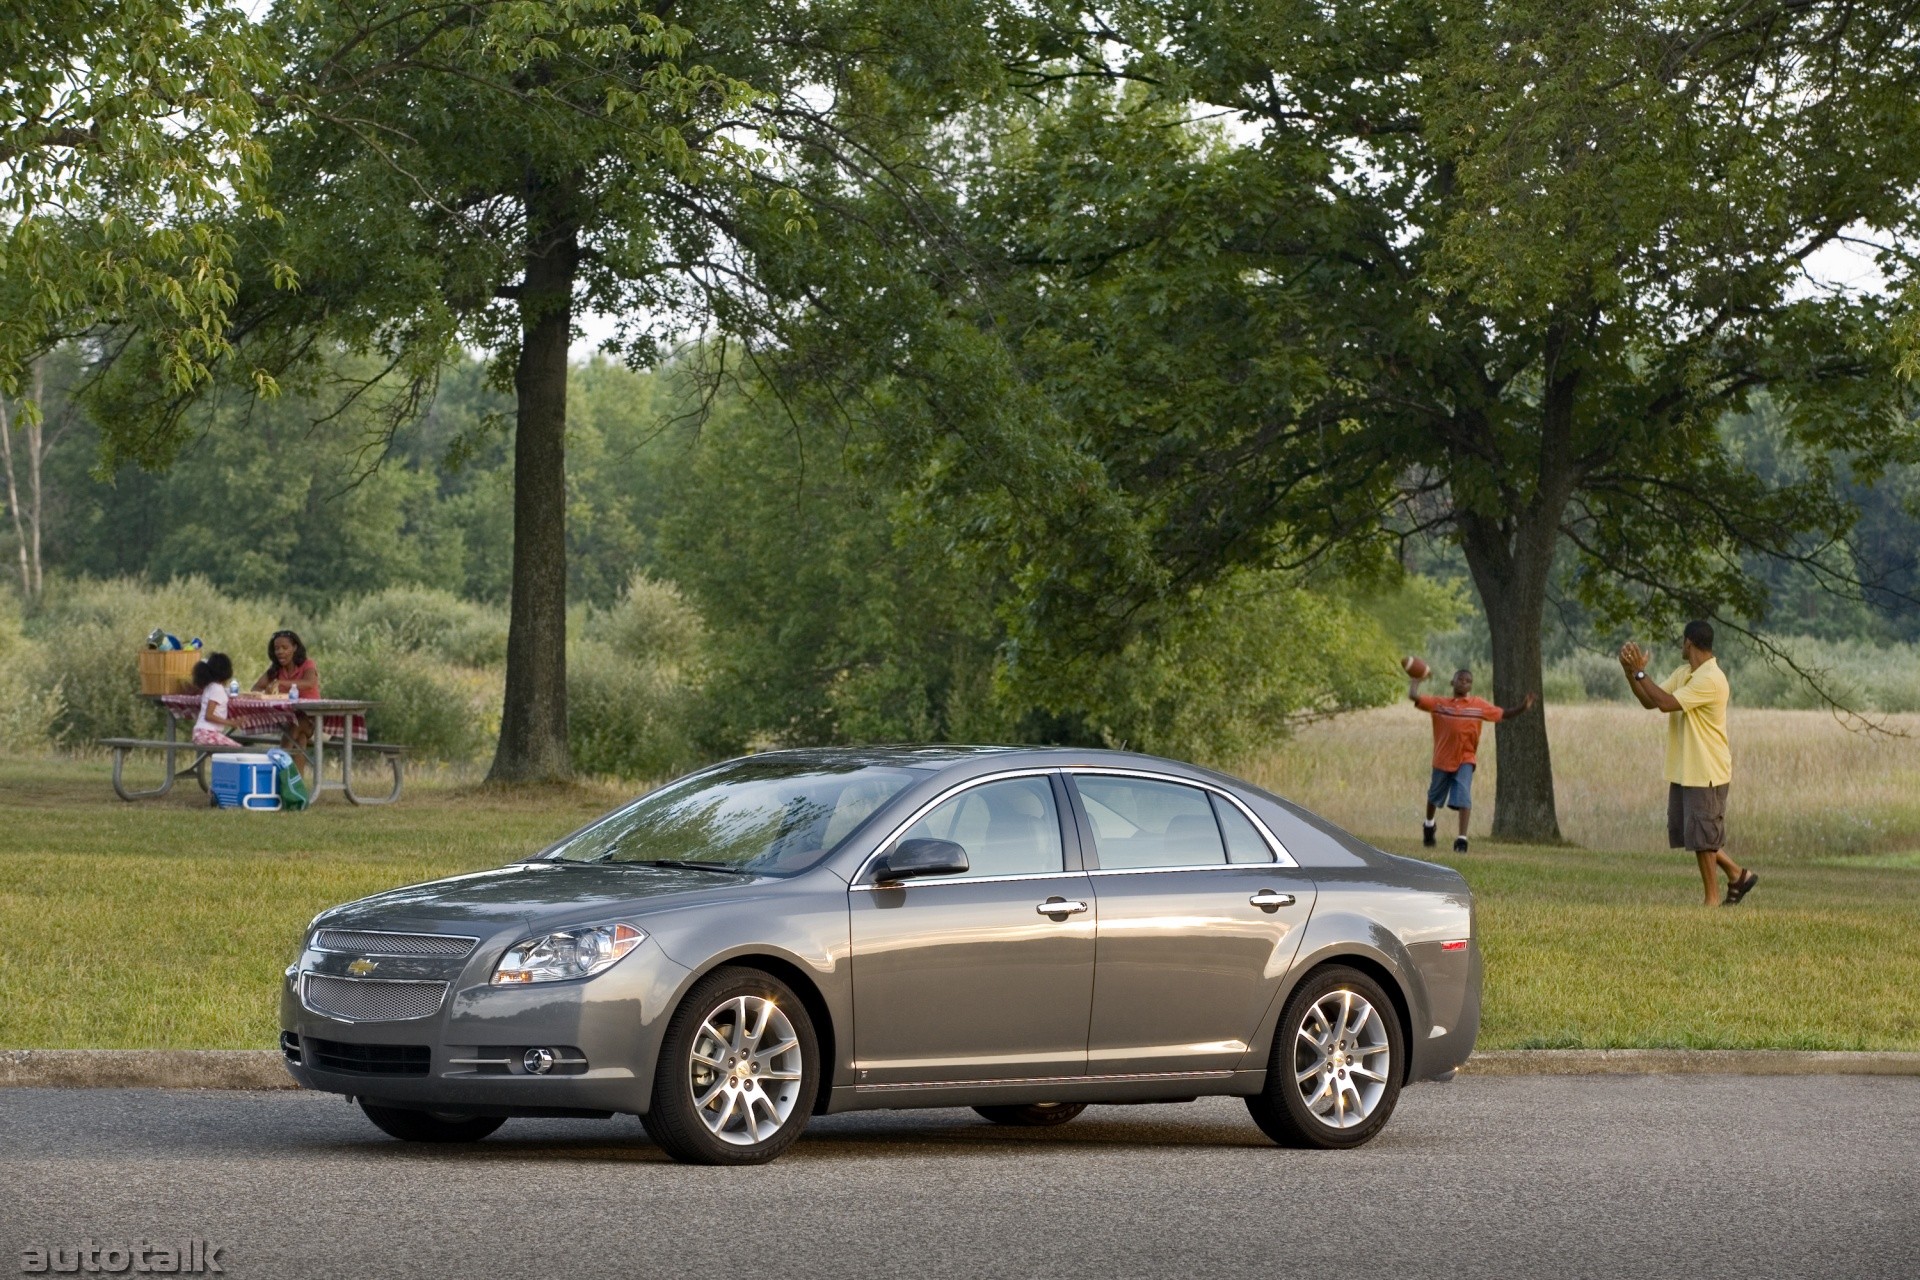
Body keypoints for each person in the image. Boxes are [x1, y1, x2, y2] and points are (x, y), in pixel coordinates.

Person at [1619, 621, 1758, 907]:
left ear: (1689, 643)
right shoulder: (1687, 673)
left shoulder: (1711, 679)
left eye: (1683, 642)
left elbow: (1667, 702)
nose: (1681, 647)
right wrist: (1630, 672)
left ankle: (1712, 899)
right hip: (1687, 768)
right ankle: (1737, 874)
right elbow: (1651, 701)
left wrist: (1640, 671)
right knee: (1693, 833)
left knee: (1703, 837)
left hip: (1707, 769)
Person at [1409, 667, 1537, 852]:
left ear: (1471, 686)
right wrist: (1416, 679)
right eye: (1460, 679)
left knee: (1463, 795)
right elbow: (1414, 696)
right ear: (1452, 683)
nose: (1464, 682)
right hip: (1442, 759)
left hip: (1465, 759)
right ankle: (1429, 824)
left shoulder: (1478, 705)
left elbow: (1503, 714)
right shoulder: (1440, 704)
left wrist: (1523, 706)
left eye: (1468, 680)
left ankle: (1462, 839)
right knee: (1434, 796)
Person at [253, 629, 320, 773]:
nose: (280, 652)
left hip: (312, 720)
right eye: (276, 648)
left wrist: (281, 684)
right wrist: (268, 691)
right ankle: (296, 786)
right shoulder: (275, 670)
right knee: (300, 740)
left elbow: (309, 683)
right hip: (289, 720)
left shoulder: (308, 664)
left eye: (285, 648)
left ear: (295, 648)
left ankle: (276, 772)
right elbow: (256, 688)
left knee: (294, 729)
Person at [189, 653, 242, 747]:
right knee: (238, 749)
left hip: (201, 732)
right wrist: (231, 723)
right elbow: (209, 715)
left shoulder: (211, 687)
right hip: (206, 733)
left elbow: (226, 693)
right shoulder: (217, 689)